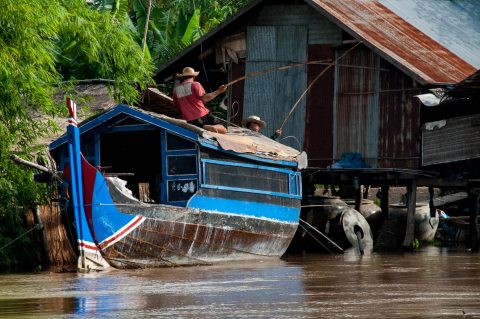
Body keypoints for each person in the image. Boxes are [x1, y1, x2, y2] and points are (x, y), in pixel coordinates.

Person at [172, 67, 227, 133]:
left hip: (189, 120)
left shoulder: (176, 90)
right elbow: (205, 98)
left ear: (183, 77)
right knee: (224, 127)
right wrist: (219, 91)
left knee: (198, 126)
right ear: (194, 77)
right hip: (201, 115)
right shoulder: (195, 84)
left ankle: (203, 127)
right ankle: (209, 127)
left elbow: (176, 105)